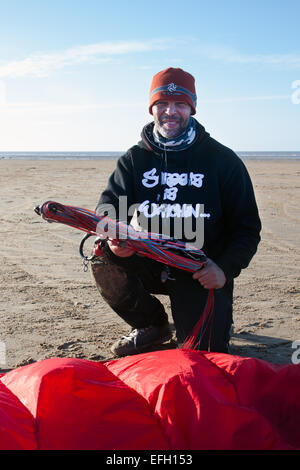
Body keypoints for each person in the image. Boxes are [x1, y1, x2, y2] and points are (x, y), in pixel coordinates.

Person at [91, 67, 261, 357]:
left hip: (200, 270)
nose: (170, 111)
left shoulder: (223, 160)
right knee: (102, 257)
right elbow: (108, 210)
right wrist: (114, 240)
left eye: (180, 104)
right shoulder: (134, 159)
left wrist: (223, 269)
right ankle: (151, 325)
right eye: (162, 104)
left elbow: (247, 228)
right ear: (152, 108)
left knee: (203, 354)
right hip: (150, 260)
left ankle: (215, 320)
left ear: (192, 108)